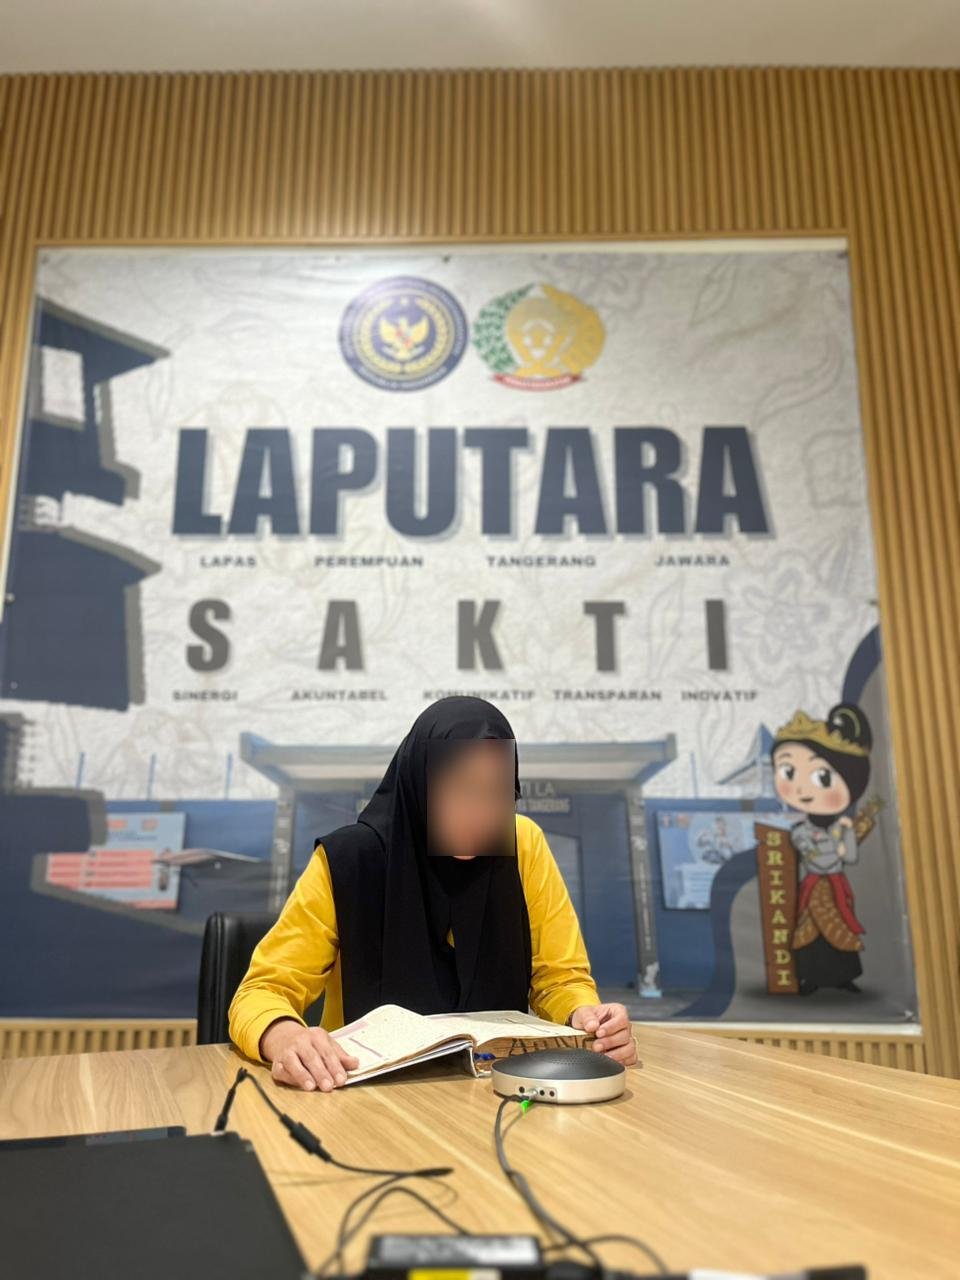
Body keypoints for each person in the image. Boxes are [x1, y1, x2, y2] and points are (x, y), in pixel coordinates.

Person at [228, 696, 637, 1091]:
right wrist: (284, 1036)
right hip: (364, 1094)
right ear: (419, 783)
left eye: (496, 791)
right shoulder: (350, 861)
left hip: (494, 1089)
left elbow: (559, 978)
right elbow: (261, 992)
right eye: (460, 788)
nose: (479, 811)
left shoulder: (522, 844)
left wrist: (586, 1016)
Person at [771, 703, 873, 995]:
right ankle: (810, 977)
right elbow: (819, 858)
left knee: (840, 929)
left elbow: (849, 856)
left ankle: (844, 977)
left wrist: (846, 836)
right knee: (809, 931)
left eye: (821, 777)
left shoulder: (842, 826)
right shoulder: (801, 831)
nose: (803, 789)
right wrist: (837, 845)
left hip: (837, 886)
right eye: (788, 771)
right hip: (815, 886)